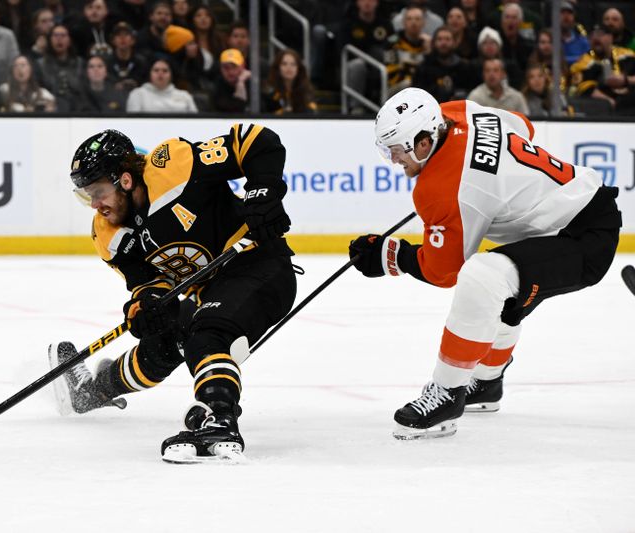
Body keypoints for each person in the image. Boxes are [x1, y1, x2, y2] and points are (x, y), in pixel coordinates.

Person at [350, 87, 620, 440]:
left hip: (583, 239)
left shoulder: (442, 189)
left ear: (423, 142)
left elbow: (443, 271)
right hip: (578, 208)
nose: (394, 160)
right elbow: (523, 127)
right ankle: (488, 384)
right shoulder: (458, 112)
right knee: (506, 283)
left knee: (483, 277)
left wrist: (391, 255)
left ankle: (447, 393)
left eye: (398, 151)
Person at [49, 125, 297, 463]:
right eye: (87, 195)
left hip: (260, 265)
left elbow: (255, 141)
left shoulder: (173, 166)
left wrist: (262, 194)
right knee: (162, 344)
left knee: (207, 335)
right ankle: (92, 392)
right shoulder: (108, 234)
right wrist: (147, 304)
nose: (95, 205)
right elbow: (147, 281)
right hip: (206, 290)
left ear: (125, 180)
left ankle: (219, 418)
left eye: (98, 192)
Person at [570, 24, 635, 114]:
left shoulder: (627, 55)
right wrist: (609, 101)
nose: (596, 38)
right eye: (592, 36)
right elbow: (584, 89)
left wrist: (626, 80)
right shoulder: (583, 62)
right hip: (603, 108)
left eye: (600, 35)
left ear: (610, 38)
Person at [125, 56, 196, 113]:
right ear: (149, 73)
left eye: (165, 71)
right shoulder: (137, 94)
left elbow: (195, 122)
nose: (160, 73)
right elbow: (133, 122)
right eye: (156, 70)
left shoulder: (184, 96)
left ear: (171, 74)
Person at [264, 47, 316, 114]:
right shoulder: (269, 92)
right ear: (277, 67)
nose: (289, 67)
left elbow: (312, 114)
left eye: (293, 64)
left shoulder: (306, 91)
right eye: (284, 64)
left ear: (299, 68)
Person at [211, 47, 250, 112]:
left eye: (234, 67)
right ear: (220, 68)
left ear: (243, 66)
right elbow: (233, 111)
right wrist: (240, 84)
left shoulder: (253, 84)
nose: (230, 72)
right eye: (226, 68)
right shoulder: (218, 85)